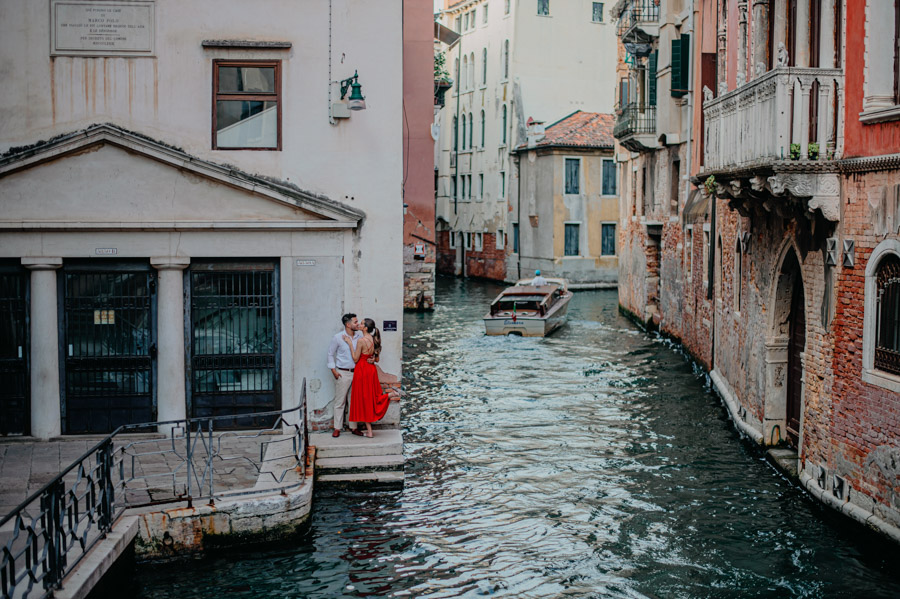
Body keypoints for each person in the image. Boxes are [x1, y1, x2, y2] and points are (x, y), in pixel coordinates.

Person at [344, 318, 391, 438]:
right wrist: (372, 359)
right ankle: (369, 431)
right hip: (371, 370)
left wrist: (350, 344)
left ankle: (370, 431)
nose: (359, 324)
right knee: (370, 397)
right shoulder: (374, 339)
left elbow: (355, 358)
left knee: (364, 399)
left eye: (362, 323)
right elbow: (377, 359)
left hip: (362, 370)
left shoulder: (361, 341)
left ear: (365, 328)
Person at [327, 313, 363, 438]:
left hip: (357, 373)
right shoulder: (338, 338)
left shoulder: (359, 337)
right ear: (348, 325)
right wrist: (333, 370)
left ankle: (353, 427)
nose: (358, 324)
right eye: (355, 322)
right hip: (342, 373)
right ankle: (337, 428)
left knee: (354, 401)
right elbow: (330, 354)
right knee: (340, 401)